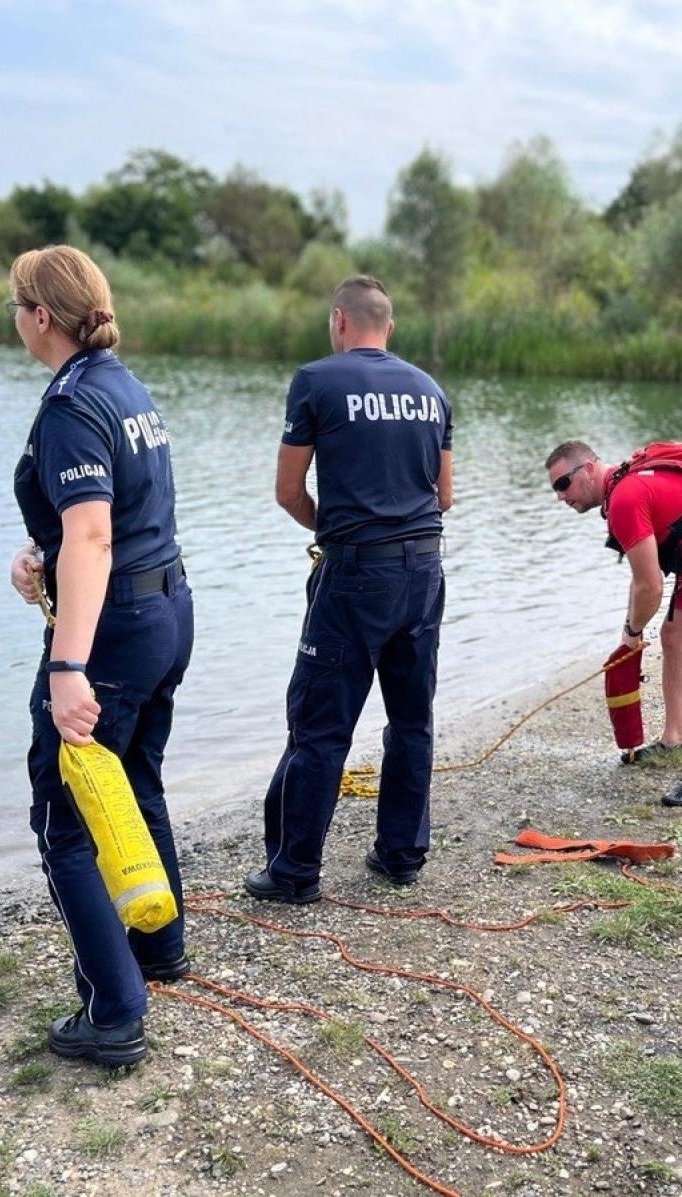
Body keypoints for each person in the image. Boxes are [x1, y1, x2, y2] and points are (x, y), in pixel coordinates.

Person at [7, 245, 194, 1063]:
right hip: (166, 608)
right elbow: (95, 521)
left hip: (114, 629)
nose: (13, 319)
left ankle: (114, 1013)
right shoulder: (122, 385)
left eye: (15, 305)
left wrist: (66, 667)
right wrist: (40, 555)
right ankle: (159, 947)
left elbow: (93, 531)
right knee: (136, 777)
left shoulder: (71, 406)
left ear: (40, 317)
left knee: (66, 813)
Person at [247, 275, 453, 904]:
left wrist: (334, 529)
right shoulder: (430, 389)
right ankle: (400, 856)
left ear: (340, 321)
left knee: (320, 725)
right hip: (423, 570)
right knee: (411, 721)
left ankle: (293, 872)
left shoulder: (317, 380)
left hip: (355, 575)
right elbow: (444, 496)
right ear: (386, 327)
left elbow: (288, 493)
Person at [545, 440, 682, 807]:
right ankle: (673, 739)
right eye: (555, 489)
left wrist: (632, 634)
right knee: (673, 635)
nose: (560, 496)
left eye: (563, 484)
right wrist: (628, 632)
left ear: (588, 469)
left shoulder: (623, 500)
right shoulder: (622, 489)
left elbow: (651, 586)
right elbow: (641, 582)